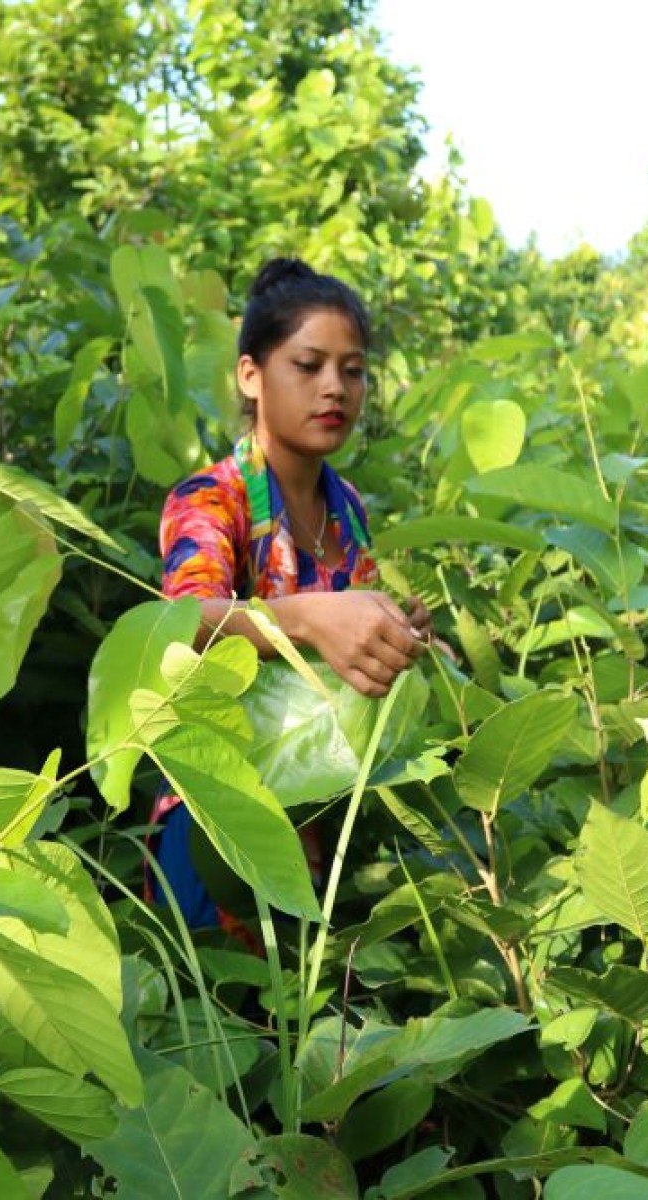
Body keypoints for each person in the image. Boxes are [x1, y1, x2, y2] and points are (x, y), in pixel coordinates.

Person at [151, 257, 432, 928]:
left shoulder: (349, 508)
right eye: (308, 367)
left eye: (353, 370)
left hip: (326, 826)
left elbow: (353, 648)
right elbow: (177, 626)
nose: (335, 388)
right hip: (223, 818)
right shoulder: (212, 498)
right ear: (251, 373)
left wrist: (400, 633)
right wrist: (304, 618)